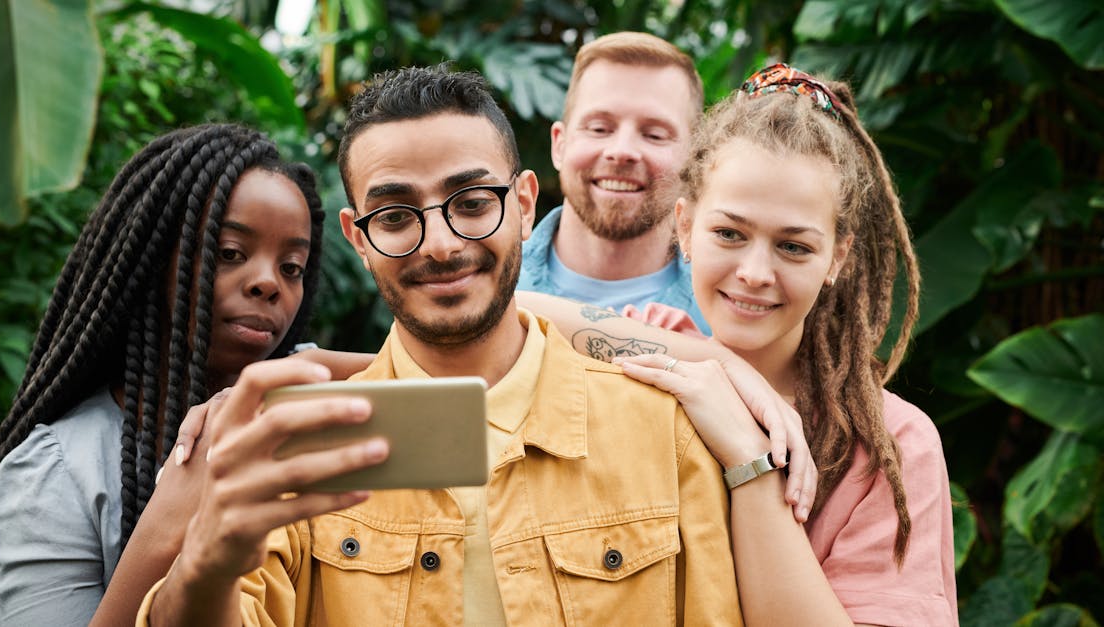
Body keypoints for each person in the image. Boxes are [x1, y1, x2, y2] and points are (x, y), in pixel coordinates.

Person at [142, 65, 743, 626]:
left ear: (526, 203)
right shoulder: (301, 444)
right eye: (396, 215)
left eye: (474, 203)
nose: (440, 244)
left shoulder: (662, 431)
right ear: (358, 237)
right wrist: (206, 561)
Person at [523, 64, 957, 626]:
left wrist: (748, 463)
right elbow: (500, 317)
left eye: (794, 247)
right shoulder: (647, 351)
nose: (755, 272)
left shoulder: (889, 444)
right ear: (684, 228)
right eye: (729, 234)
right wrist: (720, 363)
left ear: (838, 258)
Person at [0, 124, 372, 627]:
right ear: (151, 262)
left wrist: (311, 366)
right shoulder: (58, 473)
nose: (268, 283)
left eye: (292, 267)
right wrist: (171, 517)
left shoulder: (312, 401)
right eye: (229, 254)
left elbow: (452, 377)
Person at [518, 31, 710, 333]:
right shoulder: (490, 286)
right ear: (560, 145)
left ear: (693, 159)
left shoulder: (726, 312)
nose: (621, 152)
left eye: (654, 135)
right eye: (599, 128)